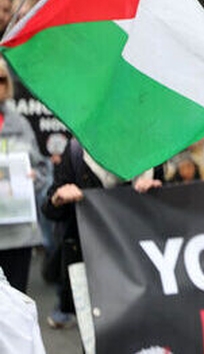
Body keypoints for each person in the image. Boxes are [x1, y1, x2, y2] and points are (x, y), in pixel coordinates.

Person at [43, 139, 163, 328]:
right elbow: (50, 209)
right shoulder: (77, 150)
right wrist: (59, 197)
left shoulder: (155, 151)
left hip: (142, 263)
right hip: (92, 264)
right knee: (98, 335)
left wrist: (157, 191)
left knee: (145, 332)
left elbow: (169, 214)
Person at [0, 59, 50, 293]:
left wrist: (32, 178)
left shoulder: (20, 123)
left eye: (1, 79)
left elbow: (43, 170)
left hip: (18, 235)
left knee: (18, 303)